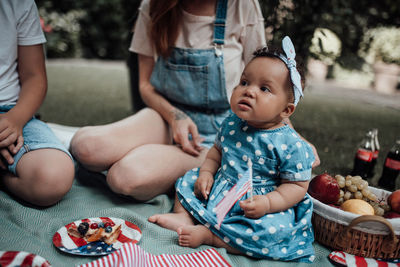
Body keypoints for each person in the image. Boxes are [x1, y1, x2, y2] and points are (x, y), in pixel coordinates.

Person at [148, 38, 316, 263]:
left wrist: (267, 203)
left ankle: (213, 238)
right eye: (245, 82)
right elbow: (216, 152)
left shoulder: (291, 145)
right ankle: (183, 217)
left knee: (271, 232)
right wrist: (207, 173)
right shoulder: (232, 122)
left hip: (257, 203)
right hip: (221, 187)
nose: (249, 92)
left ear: (286, 110)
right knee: (189, 180)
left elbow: (296, 186)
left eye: (264, 88)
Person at [0, 0, 75, 206]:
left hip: (12, 113)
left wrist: (15, 120)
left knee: (54, 177)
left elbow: (35, 77)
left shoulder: (19, 4)